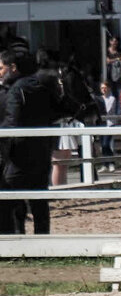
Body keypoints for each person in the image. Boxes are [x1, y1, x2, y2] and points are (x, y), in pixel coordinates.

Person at [0, 48, 60, 234]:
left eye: (1, 68)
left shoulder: (16, 90)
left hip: (18, 154)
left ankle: (13, 243)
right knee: (39, 201)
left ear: (13, 68)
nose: (0, 72)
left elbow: (12, 122)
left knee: (8, 200)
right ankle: (42, 242)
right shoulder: (43, 86)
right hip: (41, 152)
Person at [99, 80, 118, 172]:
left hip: (109, 124)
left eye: (105, 88)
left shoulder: (112, 99)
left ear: (109, 88)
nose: (103, 89)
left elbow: (107, 110)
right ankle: (105, 164)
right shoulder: (99, 98)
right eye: (102, 88)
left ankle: (111, 163)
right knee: (102, 145)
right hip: (101, 124)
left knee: (106, 144)